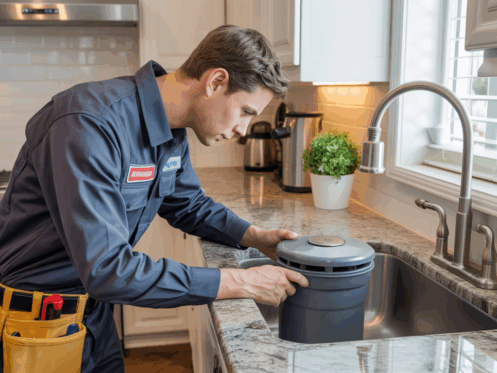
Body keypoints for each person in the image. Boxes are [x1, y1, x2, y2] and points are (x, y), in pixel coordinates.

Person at [0, 25, 310, 372]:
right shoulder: (88, 124)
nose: (242, 129)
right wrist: (241, 281)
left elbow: (189, 205)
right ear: (216, 82)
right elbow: (109, 270)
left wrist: (255, 237)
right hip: (34, 324)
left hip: (93, 315)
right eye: (246, 112)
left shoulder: (172, 131)